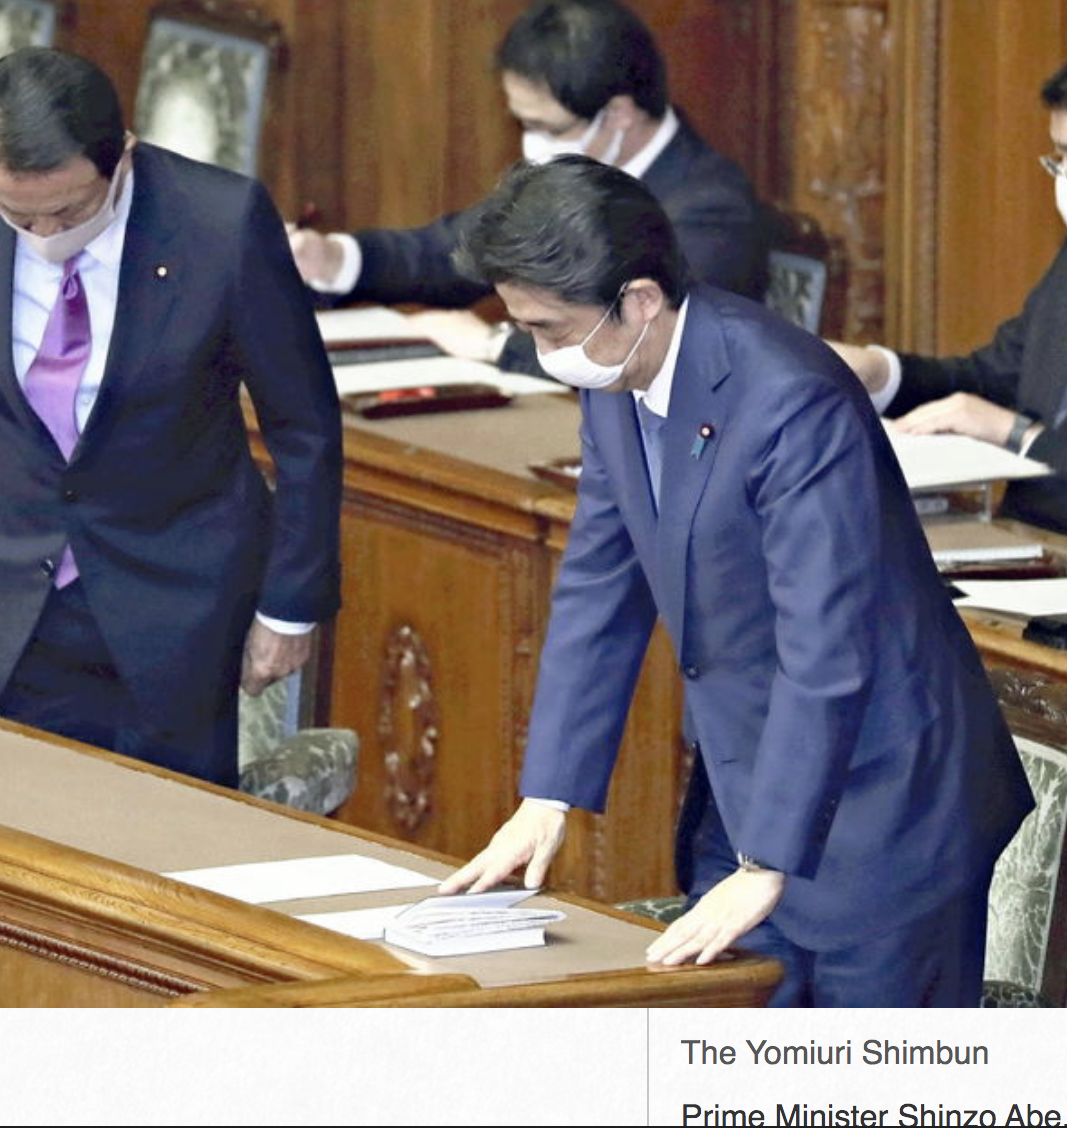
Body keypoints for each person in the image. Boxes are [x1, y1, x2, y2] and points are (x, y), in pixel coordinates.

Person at [438, 157, 1033, 1006]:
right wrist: (549, 795)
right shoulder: (617, 378)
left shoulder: (790, 398)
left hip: (886, 811)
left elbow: (827, 646)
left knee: (874, 1072)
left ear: (639, 301)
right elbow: (599, 587)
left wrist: (768, 860)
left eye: (550, 328)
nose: (544, 353)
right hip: (751, 789)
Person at [0, 48, 343, 788]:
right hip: (21, 584)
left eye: (69, 211)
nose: (44, 234)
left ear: (124, 156)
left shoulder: (219, 221)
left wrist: (289, 609)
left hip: (185, 594)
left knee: (174, 828)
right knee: (39, 816)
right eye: (18, 215)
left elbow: (305, 430)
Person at [288, 0, 766, 374]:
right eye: (522, 122)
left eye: (547, 127)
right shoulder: (569, 175)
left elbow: (655, 350)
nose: (531, 141)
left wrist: (497, 345)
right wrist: (334, 259)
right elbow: (452, 253)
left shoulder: (710, 207)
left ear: (618, 113)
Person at [831, 61, 1067, 533]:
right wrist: (879, 373)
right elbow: (991, 381)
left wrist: (1014, 433)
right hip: (1026, 550)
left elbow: (995, 417)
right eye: (1059, 157)